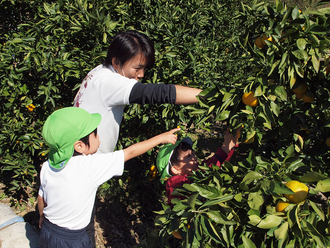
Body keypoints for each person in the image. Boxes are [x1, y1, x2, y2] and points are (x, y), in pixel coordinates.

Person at [37, 107, 180, 248]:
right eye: (95, 134)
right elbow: (130, 152)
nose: (98, 137)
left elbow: (41, 198)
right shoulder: (89, 166)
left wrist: (42, 216)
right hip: (72, 240)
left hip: (48, 231)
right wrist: (161, 138)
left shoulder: (47, 165)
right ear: (79, 146)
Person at [73, 30, 202, 154]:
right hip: (86, 164)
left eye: (145, 68)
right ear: (116, 62)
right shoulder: (110, 82)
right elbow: (161, 93)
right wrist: (207, 96)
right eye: (137, 68)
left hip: (77, 157)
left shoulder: (98, 71)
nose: (141, 74)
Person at [156, 128, 240, 206]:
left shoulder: (197, 171)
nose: (194, 157)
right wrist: (226, 147)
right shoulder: (173, 183)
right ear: (175, 169)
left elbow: (216, 164)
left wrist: (230, 146)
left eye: (193, 154)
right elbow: (201, 174)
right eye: (188, 156)